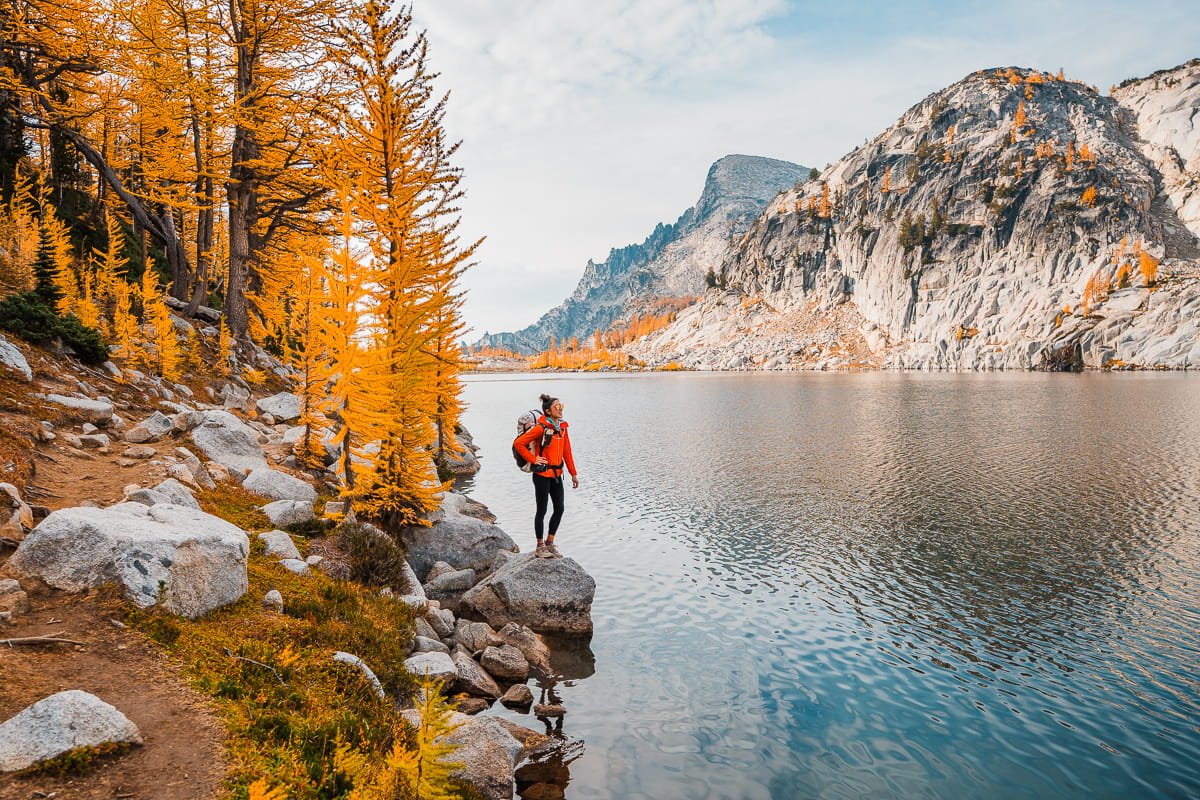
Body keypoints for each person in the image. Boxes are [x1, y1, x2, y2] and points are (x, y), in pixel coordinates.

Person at [513, 393, 579, 558]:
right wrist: (533, 459)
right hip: (542, 474)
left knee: (559, 509)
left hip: (557, 475)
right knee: (541, 510)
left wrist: (573, 474)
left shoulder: (562, 428)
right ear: (548, 411)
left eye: (561, 406)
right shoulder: (540, 428)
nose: (560, 409)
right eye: (557, 406)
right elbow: (519, 444)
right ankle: (540, 546)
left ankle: (550, 543)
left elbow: (567, 452)